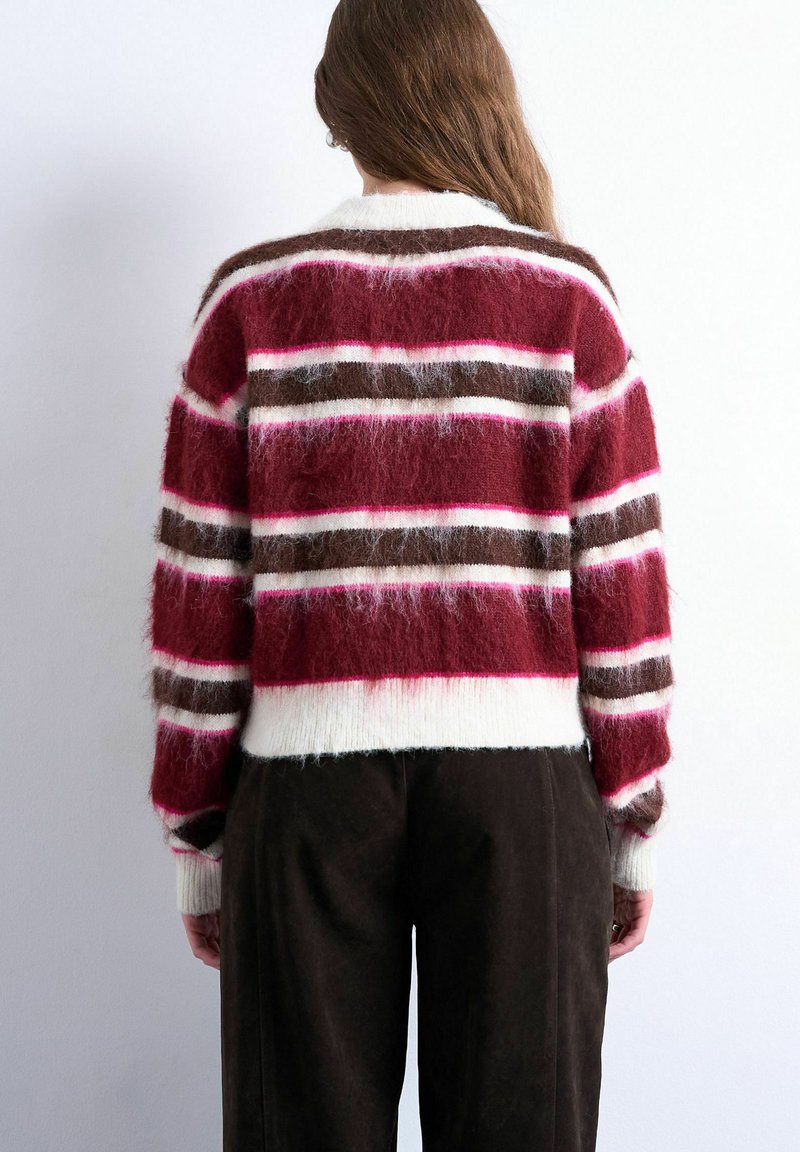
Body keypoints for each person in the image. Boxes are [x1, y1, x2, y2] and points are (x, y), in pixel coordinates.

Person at [145, 1, 674, 1148]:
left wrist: (199, 837)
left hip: (304, 792)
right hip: (521, 794)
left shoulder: (251, 302)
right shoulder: (565, 298)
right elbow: (621, 585)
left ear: (334, 106)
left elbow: (198, 597)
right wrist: (629, 818)